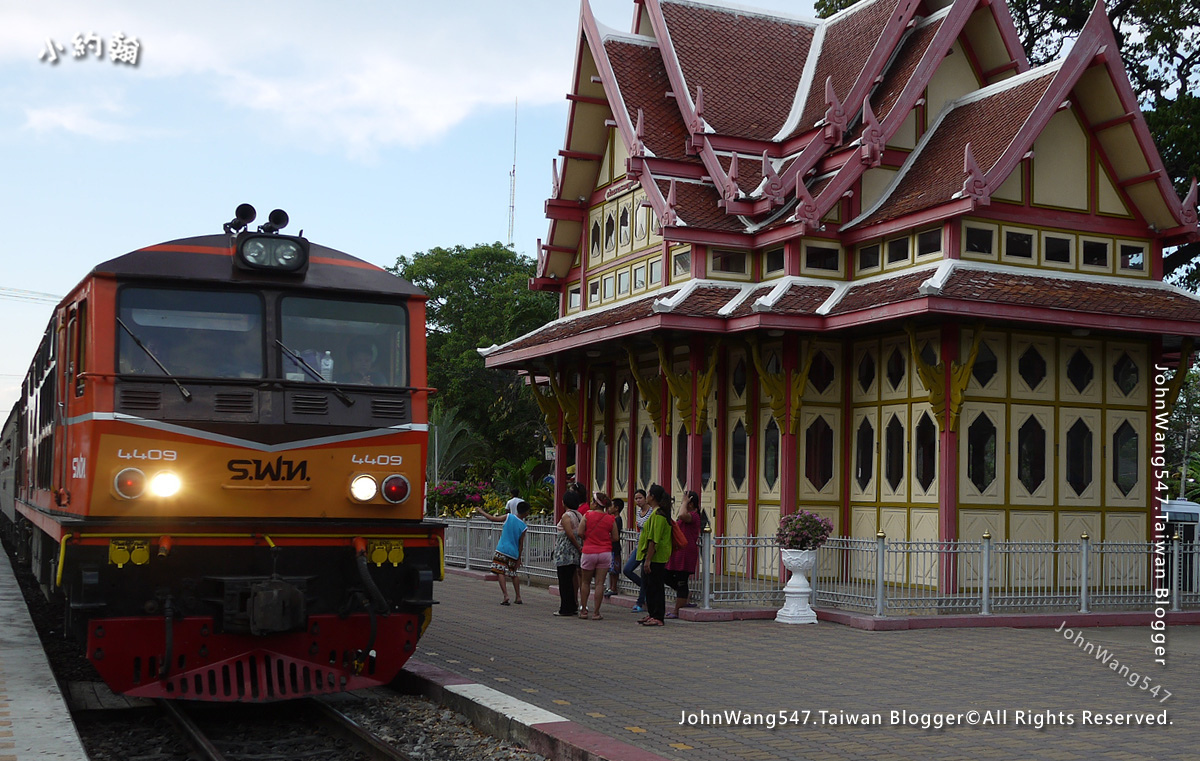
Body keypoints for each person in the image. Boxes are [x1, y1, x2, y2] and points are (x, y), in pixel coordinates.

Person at [473, 501, 530, 605]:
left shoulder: (509, 517)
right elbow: (521, 544)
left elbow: (493, 519)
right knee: (513, 574)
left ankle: (506, 595)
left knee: (500, 572)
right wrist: (519, 557)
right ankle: (518, 597)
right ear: (526, 513)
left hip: (502, 549)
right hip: (513, 552)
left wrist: (481, 511)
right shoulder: (523, 526)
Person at [636, 484, 673, 627]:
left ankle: (658, 616)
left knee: (656, 586)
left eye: (649, 494)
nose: (647, 496)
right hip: (651, 556)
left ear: (653, 497)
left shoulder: (659, 516)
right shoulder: (655, 513)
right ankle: (652, 613)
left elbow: (654, 540)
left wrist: (648, 560)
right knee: (649, 586)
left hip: (656, 557)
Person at [577, 492, 618, 620]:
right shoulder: (611, 518)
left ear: (595, 503)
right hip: (605, 553)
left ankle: (584, 610)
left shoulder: (587, 515)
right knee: (600, 583)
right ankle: (596, 612)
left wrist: (588, 538)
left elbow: (580, 532)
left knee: (585, 582)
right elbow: (616, 537)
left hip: (589, 552)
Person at [665, 490, 703, 619]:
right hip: (677, 551)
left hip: (686, 552)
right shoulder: (688, 515)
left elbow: (682, 515)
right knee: (666, 575)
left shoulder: (694, 516)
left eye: (686, 502)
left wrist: (684, 503)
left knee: (682, 581)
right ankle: (685, 595)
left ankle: (677, 610)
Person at [552, 490, 584, 617]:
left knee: (564, 581)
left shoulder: (566, 516)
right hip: (574, 552)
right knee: (571, 580)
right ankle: (572, 605)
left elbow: (570, 534)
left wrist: (578, 547)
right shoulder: (579, 515)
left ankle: (565, 607)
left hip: (565, 552)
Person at [622, 489, 651, 612]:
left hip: (648, 546)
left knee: (645, 575)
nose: (638, 501)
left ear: (646, 498)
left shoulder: (652, 512)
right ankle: (646, 588)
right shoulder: (638, 512)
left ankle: (640, 601)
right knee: (627, 569)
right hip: (638, 546)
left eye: (640, 498)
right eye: (636, 499)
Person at [604, 497, 624, 598]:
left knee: (615, 569)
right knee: (611, 569)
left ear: (616, 508)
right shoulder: (612, 519)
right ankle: (610, 587)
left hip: (615, 548)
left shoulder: (617, 520)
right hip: (610, 548)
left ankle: (614, 587)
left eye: (611, 506)